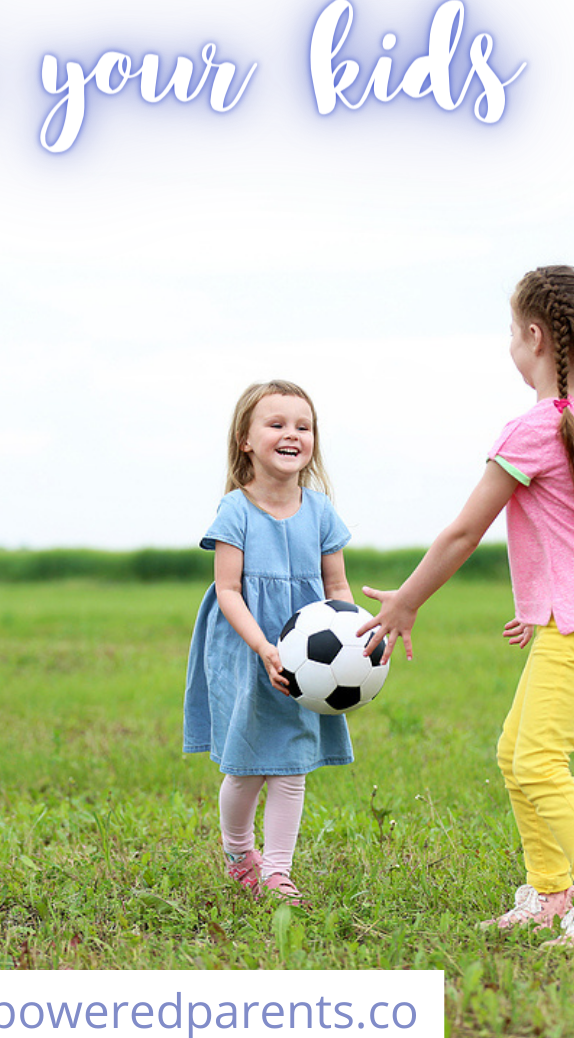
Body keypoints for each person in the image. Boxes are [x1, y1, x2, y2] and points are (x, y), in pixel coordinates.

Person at [362, 266, 574, 949]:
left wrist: (407, 600)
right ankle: (551, 892)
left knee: (540, 762)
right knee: (513, 753)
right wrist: (544, 607)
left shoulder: (533, 428)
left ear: (532, 336)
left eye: (510, 332)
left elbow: (465, 532)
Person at [184, 380, 356, 904]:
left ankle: (278, 872)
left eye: (303, 426)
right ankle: (240, 853)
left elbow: (338, 588)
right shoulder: (235, 510)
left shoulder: (321, 511)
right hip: (245, 650)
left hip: (307, 658)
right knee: (246, 765)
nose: (292, 435)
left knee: (292, 762)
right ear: (246, 440)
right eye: (276, 424)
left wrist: (355, 635)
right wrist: (263, 647)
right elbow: (229, 591)